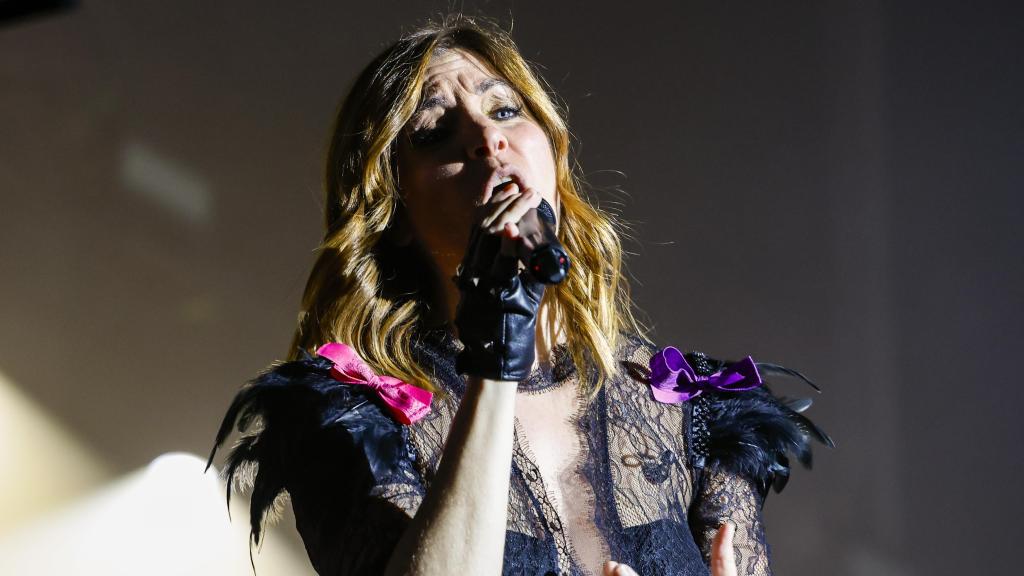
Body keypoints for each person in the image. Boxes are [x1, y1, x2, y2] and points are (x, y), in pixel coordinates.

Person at [207, 15, 831, 576]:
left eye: (504, 111)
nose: (484, 138)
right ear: (391, 208)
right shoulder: (350, 420)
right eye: (433, 132)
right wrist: (495, 357)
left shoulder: (690, 411)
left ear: (553, 152)